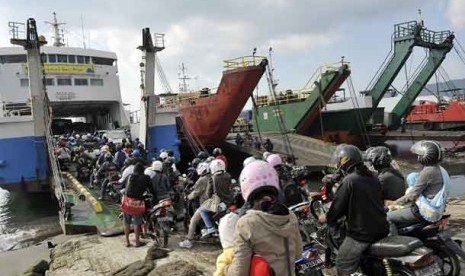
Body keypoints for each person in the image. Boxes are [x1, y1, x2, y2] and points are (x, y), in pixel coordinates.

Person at [224, 160, 302, 276]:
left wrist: (226, 269)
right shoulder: (290, 216)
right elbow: (297, 253)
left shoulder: (245, 224)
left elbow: (239, 272)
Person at [323, 144, 389, 276]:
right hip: (382, 227)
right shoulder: (373, 177)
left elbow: (336, 210)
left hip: (362, 234)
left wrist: (326, 217)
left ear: (344, 161)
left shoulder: (349, 181)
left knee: (342, 263)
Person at [387, 140, 451, 234]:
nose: (418, 157)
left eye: (419, 155)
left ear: (425, 156)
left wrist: (394, 203)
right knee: (412, 175)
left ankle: (394, 242)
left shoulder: (428, 171)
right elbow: (416, 180)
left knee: (387, 217)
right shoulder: (440, 169)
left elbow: (412, 195)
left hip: (422, 212)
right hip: (439, 209)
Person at [179, 162, 212, 248]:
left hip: (205, 203)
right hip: (215, 202)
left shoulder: (202, 179)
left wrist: (188, 197)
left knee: (193, 220)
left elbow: (196, 192)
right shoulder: (212, 176)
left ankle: (189, 240)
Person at [199, 159, 232, 237]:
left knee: (202, 210)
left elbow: (208, 193)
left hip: (219, 203)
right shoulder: (228, 175)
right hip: (229, 202)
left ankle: (210, 228)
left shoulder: (212, 178)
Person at [122, 163, 153, 247]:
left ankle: (127, 242)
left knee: (126, 223)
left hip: (127, 201)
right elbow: (151, 190)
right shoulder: (146, 177)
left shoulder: (129, 176)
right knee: (136, 223)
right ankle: (137, 242)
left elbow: (125, 187)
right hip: (137, 203)